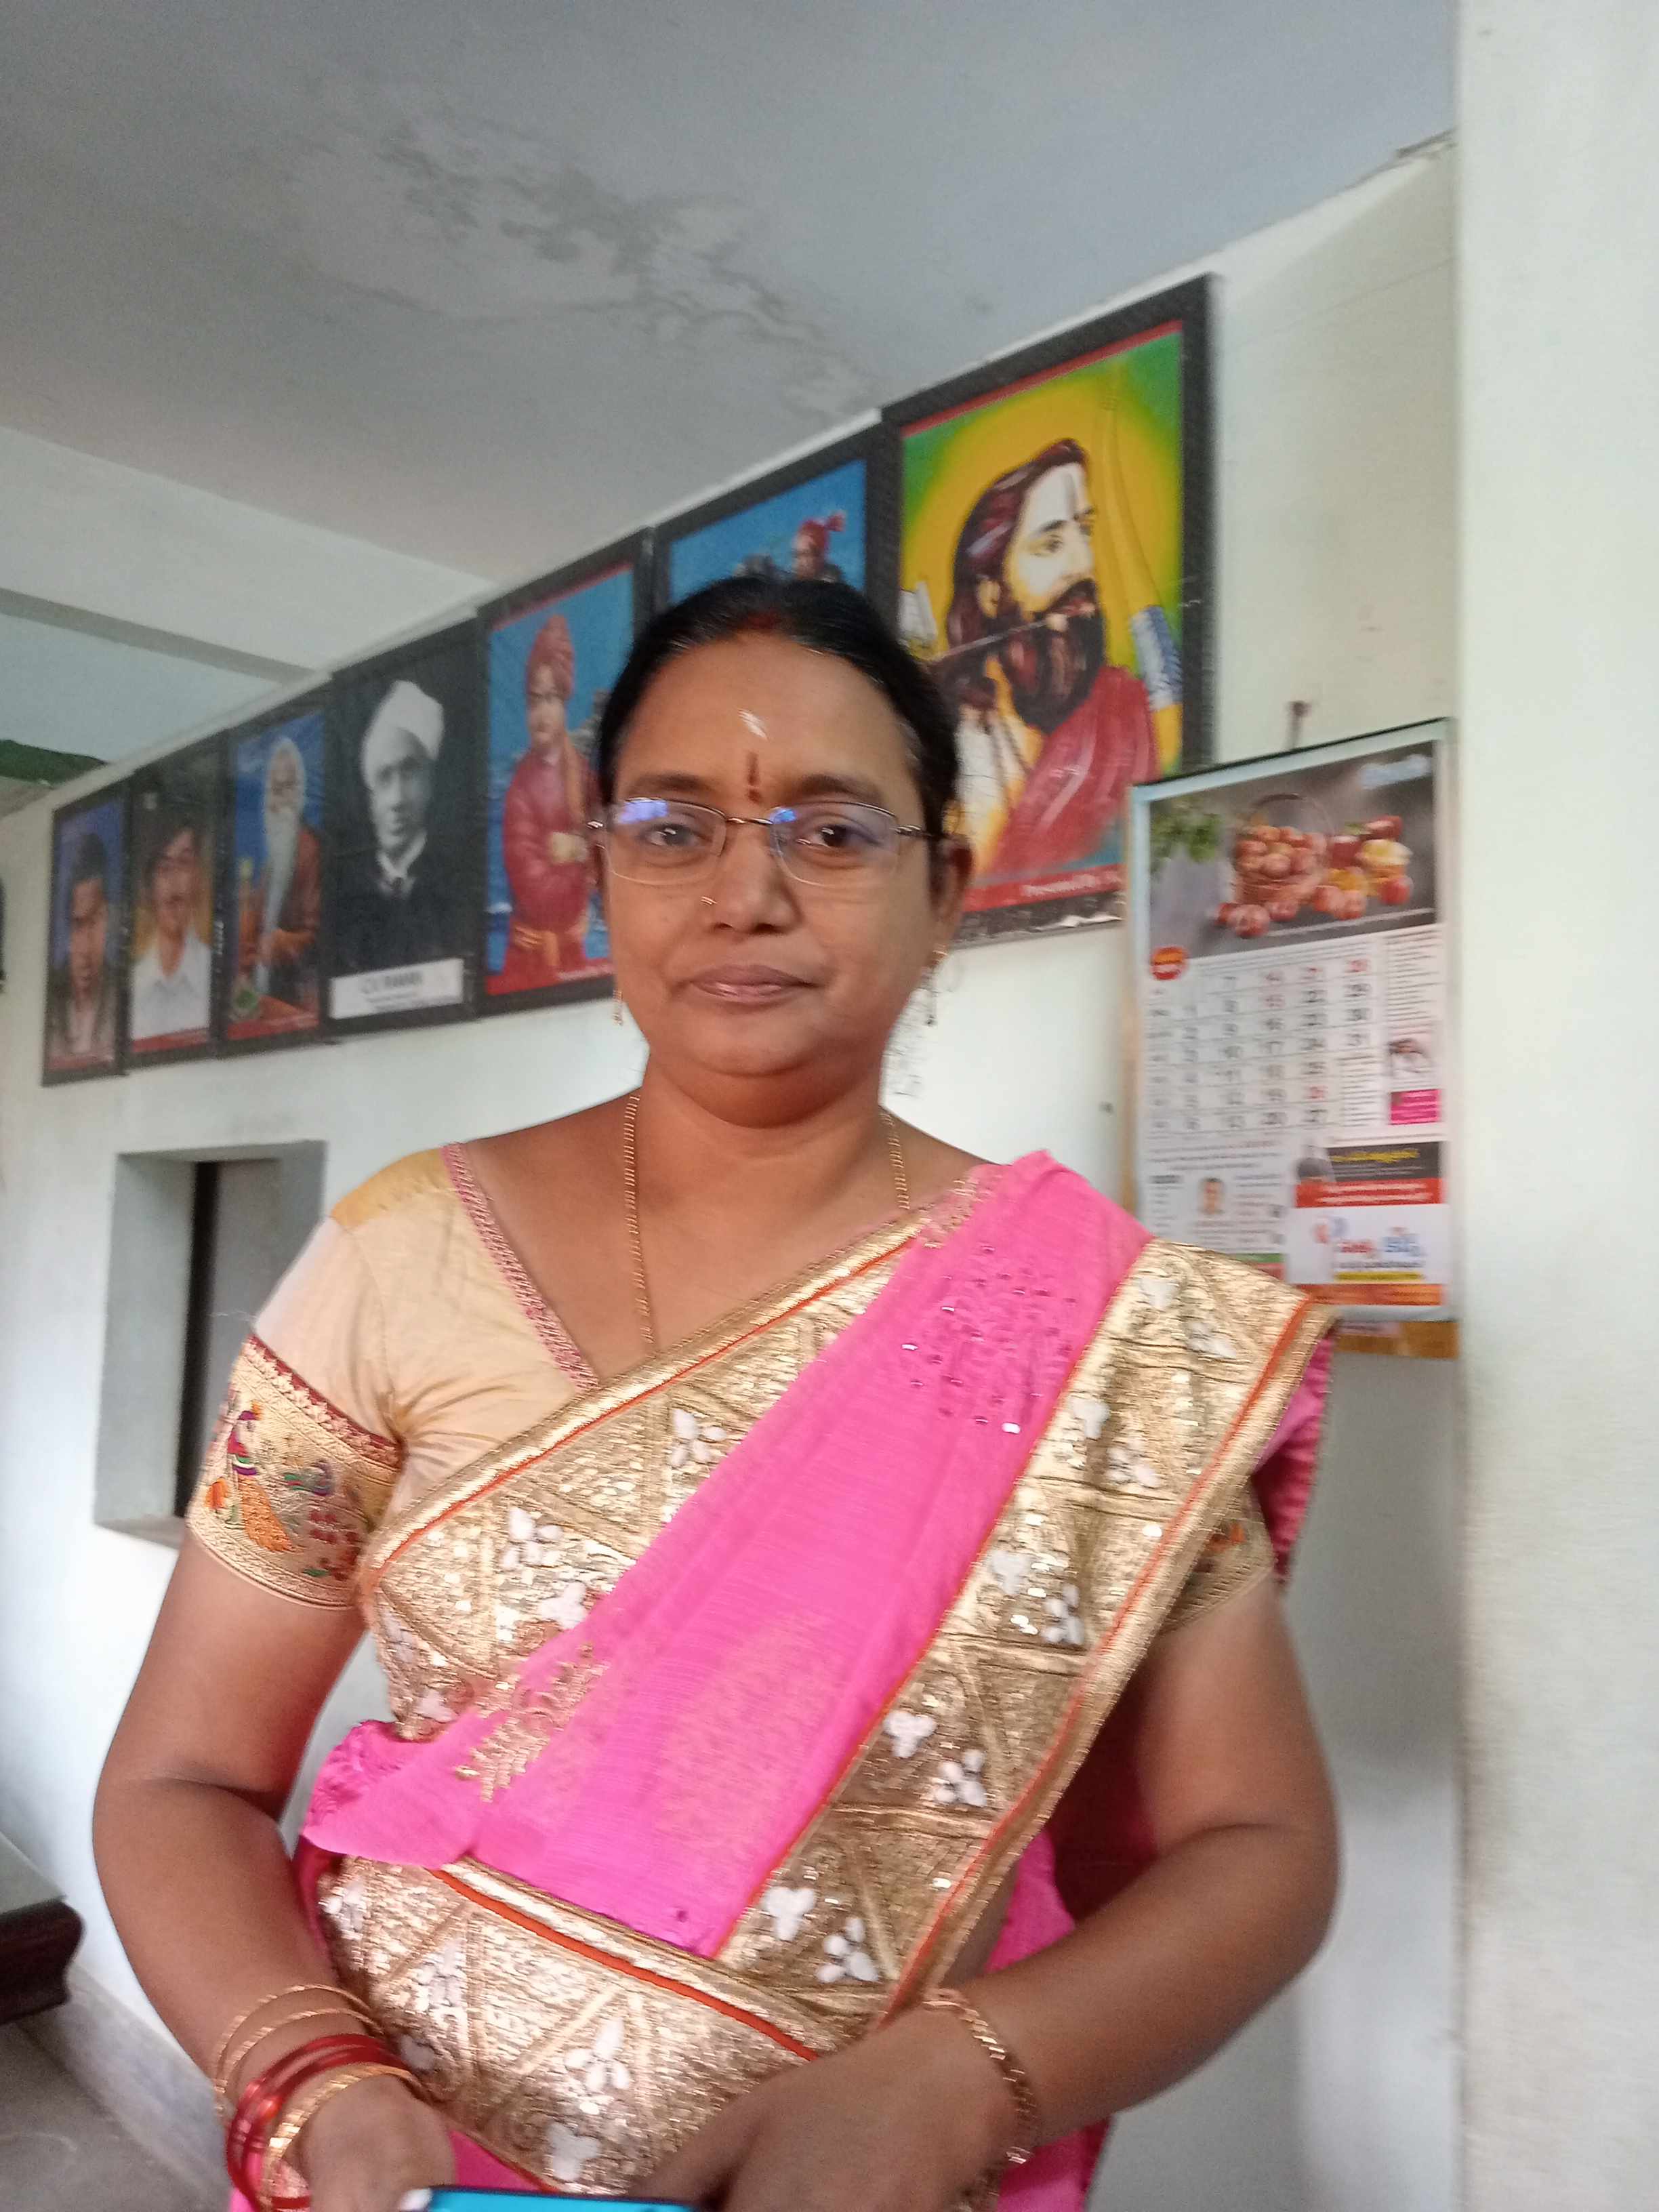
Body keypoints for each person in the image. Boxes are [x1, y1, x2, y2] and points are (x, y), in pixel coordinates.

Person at [96, 578, 1338, 2212]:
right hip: (414, 2180)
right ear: (600, 873)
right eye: (673, 829)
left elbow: (1257, 1843)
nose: (746, 892)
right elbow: (182, 1778)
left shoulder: (1102, 1336)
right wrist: (309, 2073)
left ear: (943, 893)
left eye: (832, 831)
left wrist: (957, 2081)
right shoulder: (400, 1258)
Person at [941, 439, 1160, 878]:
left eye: (1085, 532)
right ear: (991, 592)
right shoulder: (951, 737)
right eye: (1051, 543)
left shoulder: (1123, 709)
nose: (1084, 563)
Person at [495, 613, 598, 991]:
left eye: (551, 699)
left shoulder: (583, 774)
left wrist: (574, 850)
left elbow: (612, 851)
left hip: (576, 958)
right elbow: (538, 895)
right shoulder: (520, 791)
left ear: (565, 703)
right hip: (531, 966)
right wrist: (584, 856)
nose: (541, 713)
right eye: (533, 701)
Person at [333, 679, 460, 977]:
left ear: (430, 783)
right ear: (370, 799)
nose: (397, 799)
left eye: (409, 772)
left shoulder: (456, 883)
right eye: (384, 777)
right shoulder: (348, 899)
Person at [239, 737, 322, 1010]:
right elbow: (252, 935)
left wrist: (280, 944)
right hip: (267, 998)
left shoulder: (311, 852)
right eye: (274, 790)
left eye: (287, 788)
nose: (279, 800)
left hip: (300, 1002)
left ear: (300, 793)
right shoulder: (271, 862)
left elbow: (318, 938)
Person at [130, 802, 211, 1044]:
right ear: (149, 886)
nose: (174, 883)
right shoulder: (132, 988)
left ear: (198, 876)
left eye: (184, 864)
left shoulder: (214, 977)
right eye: (164, 868)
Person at [45, 827, 118, 1065]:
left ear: (108, 919)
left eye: (95, 922)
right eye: (78, 925)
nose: (86, 947)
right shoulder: (52, 999)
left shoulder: (120, 996)